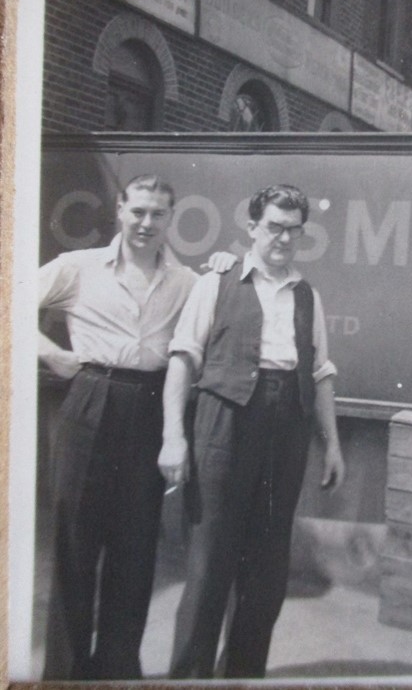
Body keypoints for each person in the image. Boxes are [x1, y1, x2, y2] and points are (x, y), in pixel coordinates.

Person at [159, 183, 345, 679]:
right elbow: (183, 358)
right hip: (223, 423)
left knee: (265, 571)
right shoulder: (215, 283)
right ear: (253, 228)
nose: (283, 238)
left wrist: (332, 444)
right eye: (274, 227)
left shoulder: (308, 295)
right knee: (209, 562)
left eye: (293, 230)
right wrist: (173, 436)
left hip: (287, 430)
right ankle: (189, 679)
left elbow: (322, 371)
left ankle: (242, 675)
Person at [38, 174, 198, 680]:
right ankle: (64, 674)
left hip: (150, 408)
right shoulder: (78, 268)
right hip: (90, 400)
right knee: (74, 547)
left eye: (158, 214)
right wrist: (51, 353)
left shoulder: (187, 282)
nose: (147, 223)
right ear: (121, 212)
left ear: (170, 219)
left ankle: (115, 671)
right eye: (138, 212)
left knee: (134, 552)